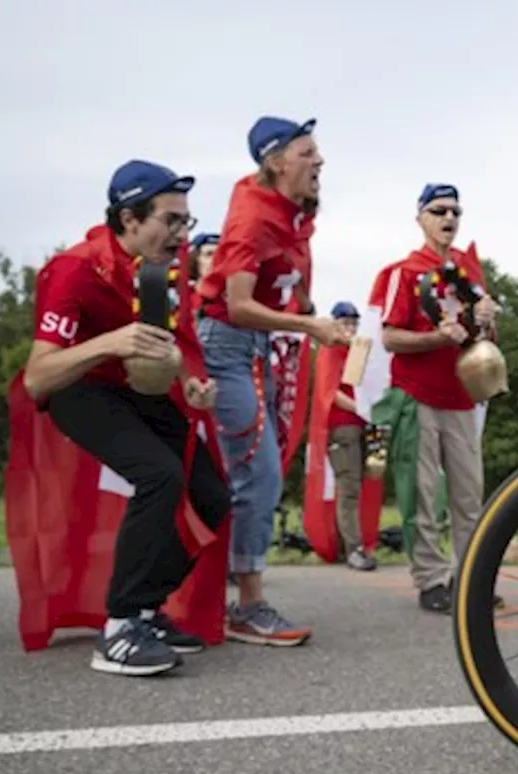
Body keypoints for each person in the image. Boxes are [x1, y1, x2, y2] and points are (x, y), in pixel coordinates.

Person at [22, 159, 230, 676]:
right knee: (158, 475)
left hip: (138, 391)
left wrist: (195, 385)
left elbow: (178, 345)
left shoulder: (164, 271)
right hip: (79, 388)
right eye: (171, 220)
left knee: (213, 494)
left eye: (187, 221)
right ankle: (117, 629)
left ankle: (144, 609)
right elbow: (37, 377)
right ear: (129, 219)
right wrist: (108, 343)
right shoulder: (74, 267)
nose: (182, 234)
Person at [197, 115, 348, 645]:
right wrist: (309, 324)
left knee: (253, 471)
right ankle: (247, 605)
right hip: (225, 346)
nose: (320, 161)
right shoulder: (252, 218)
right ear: (275, 160)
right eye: (308, 153)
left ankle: (215, 599)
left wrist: (316, 315)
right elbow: (237, 305)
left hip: (259, 349)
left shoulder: (293, 214)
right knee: (257, 474)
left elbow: (287, 285)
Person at [374, 183, 500, 613]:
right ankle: (431, 579)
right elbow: (389, 337)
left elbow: (483, 339)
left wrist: (485, 319)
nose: (448, 219)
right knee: (424, 493)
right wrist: (434, 338)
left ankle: (471, 577)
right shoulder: (404, 272)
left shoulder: (469, 273)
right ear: (420, 218)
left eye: (455, 212)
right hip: (418, 394)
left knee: (469, 494)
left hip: (462, 396)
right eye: (438, 210)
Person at [326, 301, 378, 571]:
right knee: (348, 488)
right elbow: (330, 392)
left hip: (362, 424)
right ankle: (353, 549)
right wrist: (361, 408)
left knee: (362, 485)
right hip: (342, 425)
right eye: (345, 323)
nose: (350, 328)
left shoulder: (355, 351)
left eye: (353, 323)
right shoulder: (331, 350)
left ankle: (352, 543)